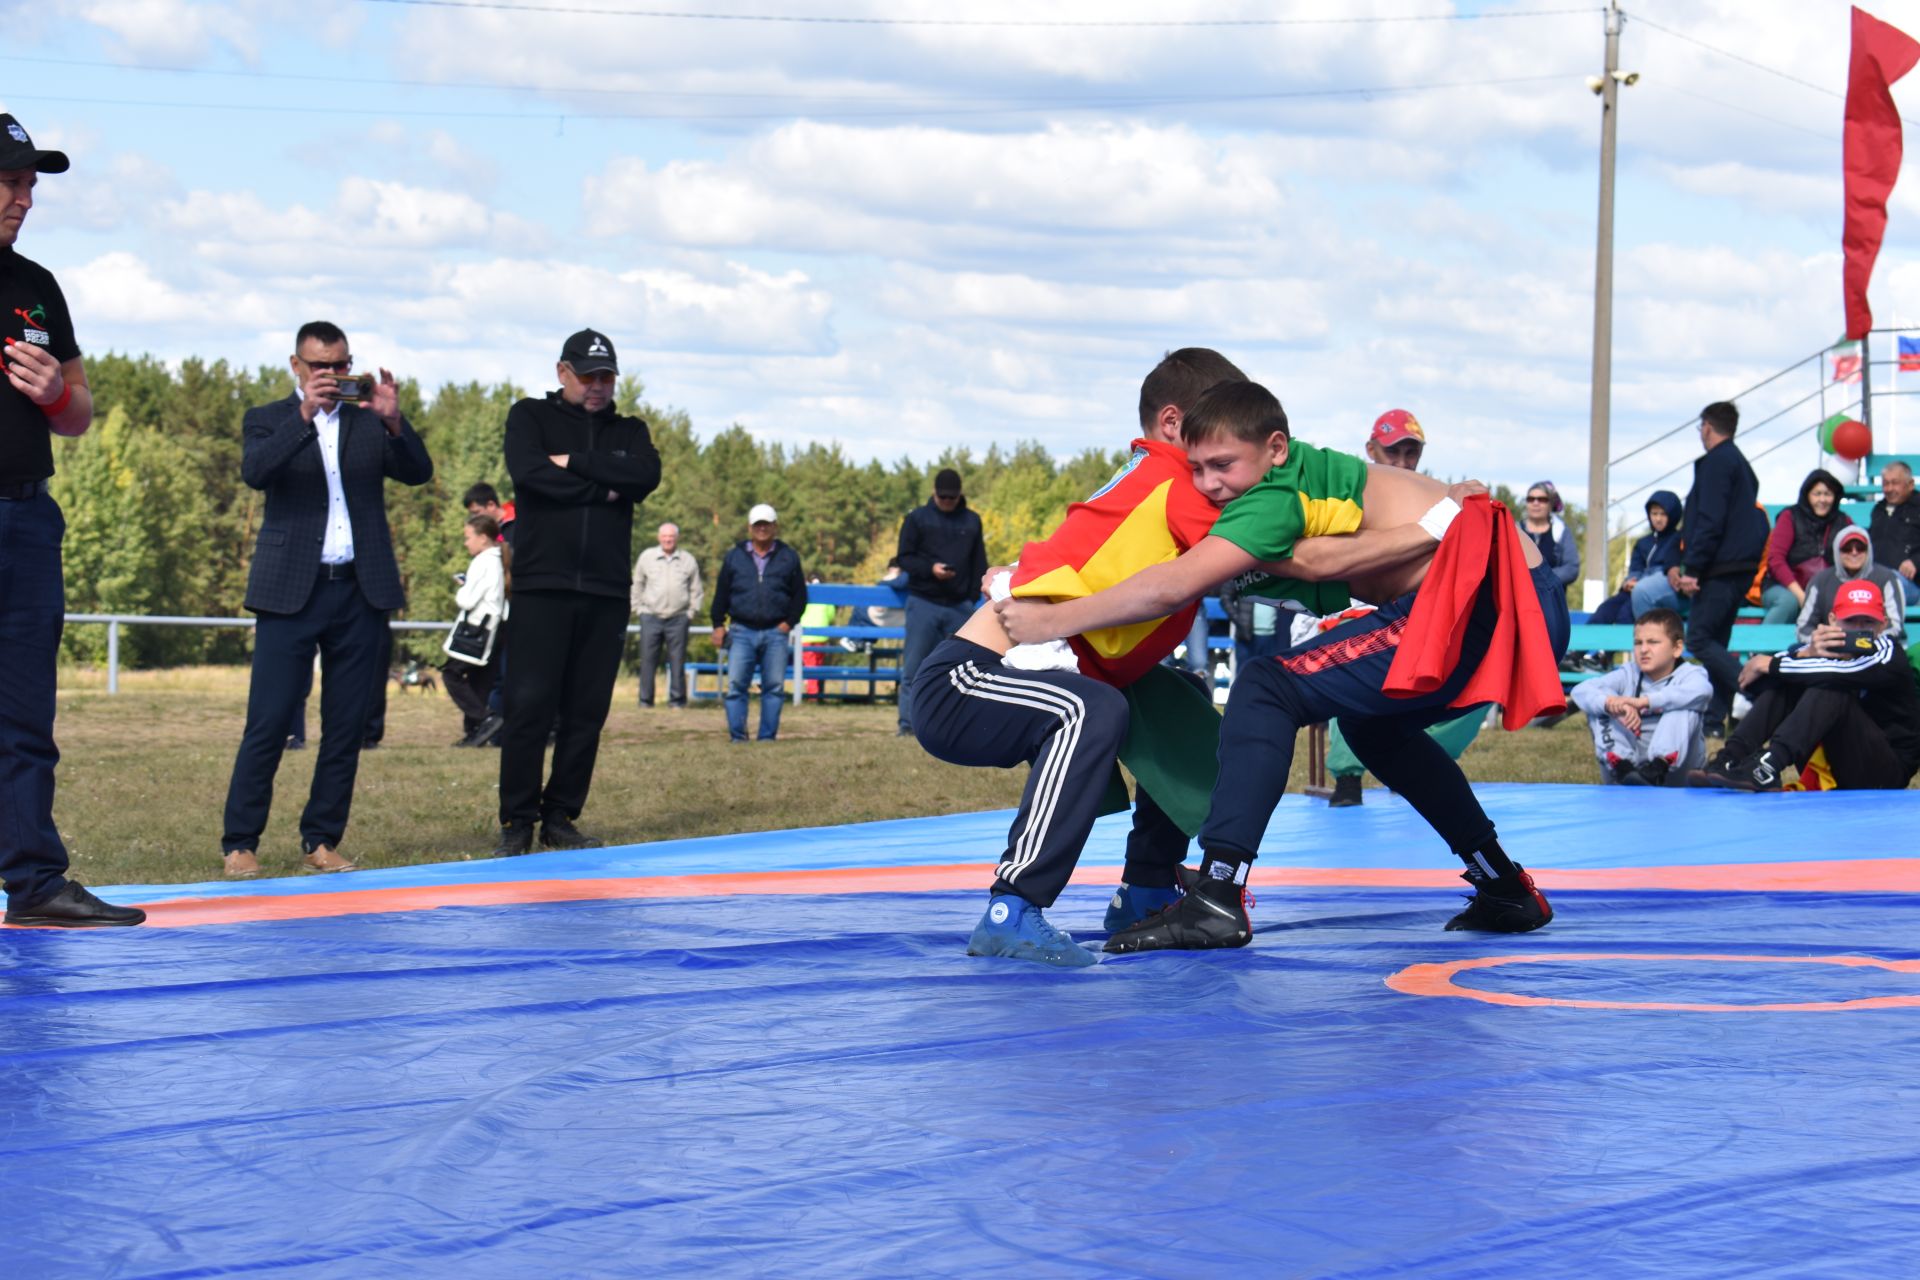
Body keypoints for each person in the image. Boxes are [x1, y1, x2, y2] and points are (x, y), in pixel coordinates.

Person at [999, 379, 1570, 952]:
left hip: (1478, 599)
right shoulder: (1280, 482)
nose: (1210, 484)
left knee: (1266, 687)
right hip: (1509, 595)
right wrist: (1021, 575)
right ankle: (1504, 885)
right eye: (1197, 469)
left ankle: (1217, 896)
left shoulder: (1270, 495)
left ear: (1274, 449)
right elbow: (1309, 559)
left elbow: (1170, 587)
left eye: (1222, 465)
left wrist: (1051, 620)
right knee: (1373, 727)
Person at [913, 347, 1246, 965]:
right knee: (1087, 709)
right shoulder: (1173, 479)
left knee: (1182, 698)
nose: (1239, 455)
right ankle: (1010, 908)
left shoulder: (1167, 479)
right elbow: (1277, 542)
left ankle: (1146, 889)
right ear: (1175, 426)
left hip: (1026, 667)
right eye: (1229, 433)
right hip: (963, 680)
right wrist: (1412, 524)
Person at [219, 320, 434, 878]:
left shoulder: (368, 422)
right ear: (296, 366)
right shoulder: (268, 419)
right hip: (290, 590)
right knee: (268, 722)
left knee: (346, 725)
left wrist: (393, 421)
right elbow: (256, 473)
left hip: (360, 590)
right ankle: (240, 842)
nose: (333, 375)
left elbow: (418, 472)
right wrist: (305, 417)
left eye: (341, 365)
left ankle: (321, 838)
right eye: (320, 367)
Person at [0, 115, 144, 927]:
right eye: (12, 182)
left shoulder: (38, 287)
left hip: (25, 519)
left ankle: (35, 886)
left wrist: (57, 390)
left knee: (25, 717)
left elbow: (79, 415)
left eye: (31, 185)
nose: (26, 198)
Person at [492, 329, 661, 856]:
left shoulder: (631, 429)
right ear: (562, 372)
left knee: (587, 711)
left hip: (607, 589)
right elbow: (529, 475)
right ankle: (517, 820)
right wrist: (606, 485)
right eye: (587, 375)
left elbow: (646, 476)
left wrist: (573, 462)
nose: (597, 386)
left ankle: (560, 815)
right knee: (529, 706)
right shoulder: (529, 417)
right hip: (544, 584)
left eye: (606, 376)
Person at [1326, 408, 1485, 808]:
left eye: (1410, 453)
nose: (1402, 462)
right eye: (1392, 452)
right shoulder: (1347, 494)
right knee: (1341, 662)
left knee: (1482, 675)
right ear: (1370, 449)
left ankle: (1419, 761)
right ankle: (1348, 777)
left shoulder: (1437, 497)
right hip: (1358, 615)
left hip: (1423, 619)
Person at [1689, 580, 1920, 792]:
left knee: (1829, 686)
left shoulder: (1889, 653)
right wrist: (1804, 654)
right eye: (1850, 620)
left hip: (1885, 772)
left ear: (1883, 625)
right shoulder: (1822, 653)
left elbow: (1838, 674)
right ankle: (1729, 758)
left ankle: (1768, 766)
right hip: (1836, 758)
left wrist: (1773, 663)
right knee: (1794, 680)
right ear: (1832, 621)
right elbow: (1758, 685)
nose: (1858, 629)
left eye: (1868, 622)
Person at [1666, 401, 1769, 738]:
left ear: (1707, 427)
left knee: (1697, 637)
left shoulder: (1716, 463)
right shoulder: (1741, 464)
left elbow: (1710, 519)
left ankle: (1759, 691)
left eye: (1701, 428)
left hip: (1719, 566)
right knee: (1717, 643)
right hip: (1738, 566)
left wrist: (1693, 567)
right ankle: (1714, 723)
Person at [1568, 608, 1709, 787]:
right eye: (1638, 642)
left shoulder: (1691, 674)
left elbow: (1702, 690)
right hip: (1629, 774)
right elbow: (1581, 690)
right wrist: (1613, 705)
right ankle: (1622, 768)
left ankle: (1658, 767)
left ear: (1677, 648)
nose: (1643, 650)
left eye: (1653, 642)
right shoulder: (1629, 673)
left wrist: (1645, 701)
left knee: (1683, 705)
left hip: (1677, 778)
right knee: (1601, 703)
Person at [896, 468, 987, 735]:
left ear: (960, 495)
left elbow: (978, 561)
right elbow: (904, 557)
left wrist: (972, 597)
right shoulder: (916, 518)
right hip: (924, 601)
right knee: (914, 667)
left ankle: (956, 726)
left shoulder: (972, 521)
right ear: (934, 493)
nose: (947, 501)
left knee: (965, 670)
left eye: (952, 497)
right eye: (943, 497)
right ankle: (908, 725)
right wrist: (930, 568)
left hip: (960, 605)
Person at [711, 504, 807, 743]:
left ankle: (766, 737)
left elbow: (800, 596)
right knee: (735, 687)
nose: (762, 528)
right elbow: (722, 592)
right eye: (757, 524)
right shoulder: (734, 556)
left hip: (777, 632)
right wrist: (717, 624)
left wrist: (789, 623)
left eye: (766, 524)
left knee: (774, 687)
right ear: (750, 527)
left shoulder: (788, 556)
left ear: (775, 526)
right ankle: (738, 737)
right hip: (741, 631)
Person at [444, 513, 507, 747]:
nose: (466, 542)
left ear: (482, 538)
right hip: (496, 630)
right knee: (479, 682)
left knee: (451, 674)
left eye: (468, 537)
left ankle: (485, 719)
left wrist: (463, 586)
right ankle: (475, 733)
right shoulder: (499, 559)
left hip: (478, 630)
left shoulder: (483, 561)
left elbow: (467, 600)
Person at [1759, 469, 1851, 625]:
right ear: (1807, 494)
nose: (1822, 499)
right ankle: (1760, 648)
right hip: (1784, 586)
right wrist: (1801, 596)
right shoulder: (1790, 516)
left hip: (1825, 587)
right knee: (1788, 603)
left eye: (1828, 494)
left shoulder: (1843, 521)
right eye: (1817, 494)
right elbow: (1776, 560)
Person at [463, 481, 515, 743]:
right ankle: (488, 730)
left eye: (476, 512)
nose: (474, 519)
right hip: (495, 617)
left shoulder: (517, 528)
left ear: (492, 506)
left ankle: (497, 728)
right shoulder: (496, 534)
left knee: (506, 676)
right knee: (491, 677)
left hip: (511, 615)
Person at [631, 521, 701, 708]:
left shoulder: (687, 559)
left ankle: (677, 701)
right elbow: (637, 583)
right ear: (659, 538)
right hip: (650, 616)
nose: (668, 539)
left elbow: (696, 588)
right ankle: (645, 701)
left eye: (671, 536)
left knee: (677, 661)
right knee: (647, 661)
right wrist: (638, 608)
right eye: (664, 536)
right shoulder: (647, 557)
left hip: (678, 618)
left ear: (677, 538)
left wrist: (691, 613)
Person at [1798, 525, 1906, 647]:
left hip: (1878, 647)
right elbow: (1804, 627)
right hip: (1833, 649)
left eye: (1860, 548)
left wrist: (1864, 643)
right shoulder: (1820, 580)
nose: (1854, 553)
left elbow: (1895, 625)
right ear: (1837, 551)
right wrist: (1828, 641)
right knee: (1796, 650)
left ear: (1869, 550)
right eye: (1847, 549)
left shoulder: (1887, 578)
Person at [1588, 490, 1682, 624]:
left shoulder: (1678, 540)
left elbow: (1667, 570)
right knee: (1606, 609)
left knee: (1625, 613)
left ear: (1672, 515)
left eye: (1663, 514)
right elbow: (1636, 568)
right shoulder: (1643, 543)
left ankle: (1627, 645)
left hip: (1658, 592)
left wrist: (1642, 583)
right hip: (1634, 589)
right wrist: (1630, 582)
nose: (1658, 518)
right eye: (1654, 514)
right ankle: (1582, 644)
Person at [1519, 479, 1580, 591]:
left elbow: (1571, 568)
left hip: (1551, 599)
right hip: (1520, 596)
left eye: (1542, 499)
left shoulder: (1561, 531)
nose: (1535, 503)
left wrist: (1543, 578)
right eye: (1531, 499)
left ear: (1550, 504)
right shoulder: (1515, 531)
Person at [1869, 460, 1920, 589]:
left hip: (1911, 582)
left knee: (1889, 583)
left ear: (1910, 484)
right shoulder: (1878, 510)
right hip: (1877, 576)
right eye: (1886, 483)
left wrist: (1915, 562)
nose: (1889, 489)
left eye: (1895, 483)